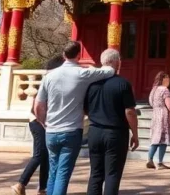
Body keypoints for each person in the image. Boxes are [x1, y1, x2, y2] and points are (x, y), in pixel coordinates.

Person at [33, 41, 115, 195]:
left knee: (53, 170)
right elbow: (109, 71)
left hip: (51, 130)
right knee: (63, 173)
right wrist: (93, 67)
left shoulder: (49, 76)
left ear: (64, 55)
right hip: (71, 131)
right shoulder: (82, 73)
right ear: (79, 55)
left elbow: (38, 105)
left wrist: (43, 122)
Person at [84, 49, 139, 195]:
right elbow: (130, 111)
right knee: (112, 174)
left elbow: (85, 109)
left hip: (94, 131)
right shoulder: (122, 83)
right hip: (115, 133)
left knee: (95, 174)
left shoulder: (90, 84)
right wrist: (135, 133)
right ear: (115, 62)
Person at [12, 57, 64, 195]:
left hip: (43, 122)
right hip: (38, 121)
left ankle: (43, 188)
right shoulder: (49, 81)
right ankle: (20, 183)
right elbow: (37, 107)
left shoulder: (52, 80)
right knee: (39, 154)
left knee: (46, 155)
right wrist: (44, 124)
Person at [146, 71, 170, 170]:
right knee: (163, 140)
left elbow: (151, 103)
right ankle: (160, 162)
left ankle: (150, 159)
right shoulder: (165, 90)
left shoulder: (154, 90)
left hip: (155, 115)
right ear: (162, 79)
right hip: (164, 116)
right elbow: (169, 105)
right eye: (167, 78)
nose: (169, 80)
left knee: (156, 138)